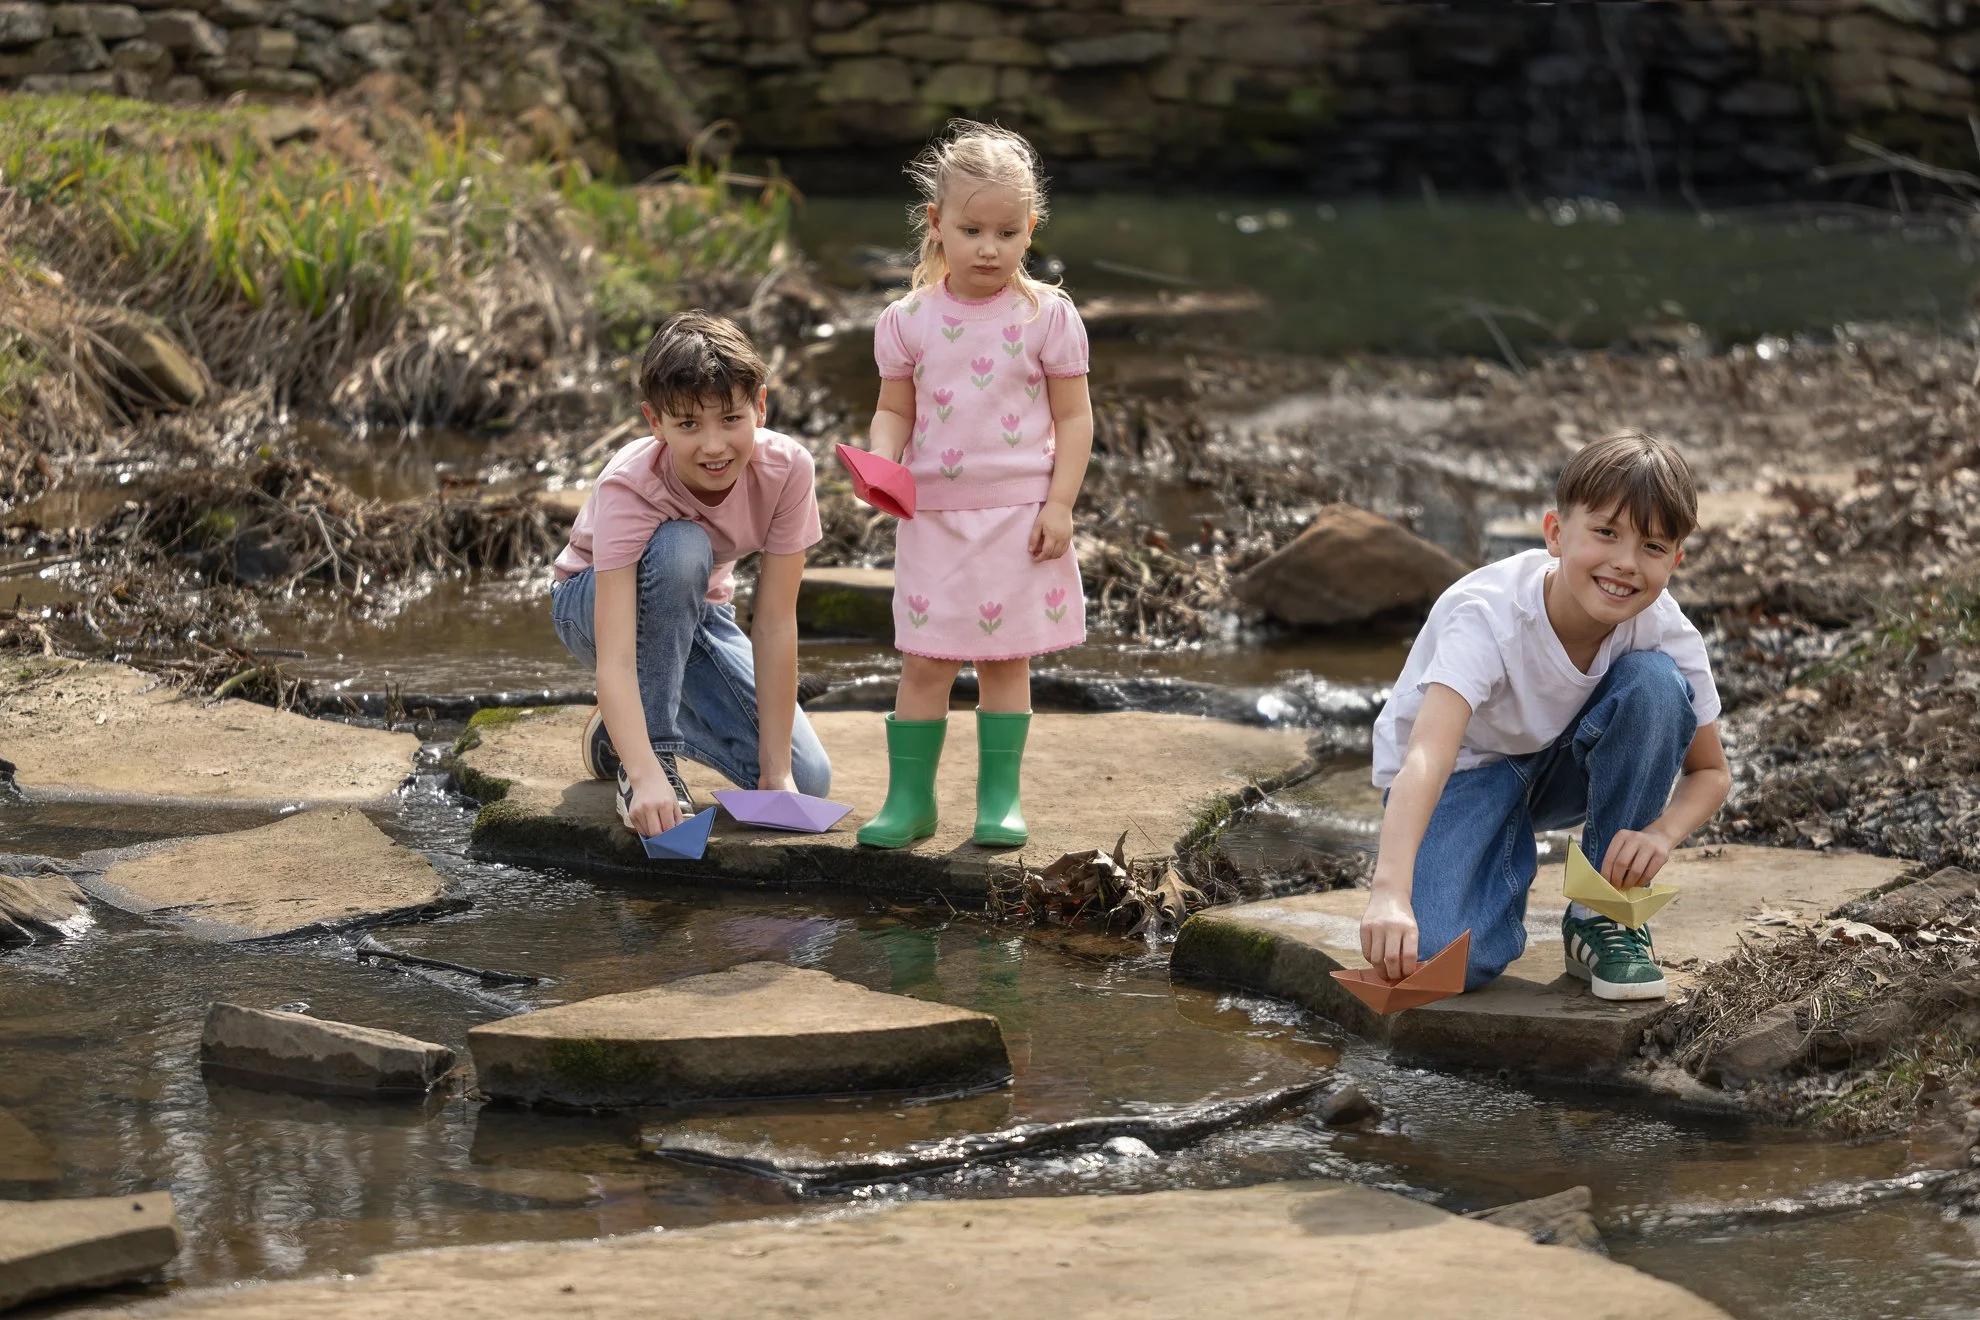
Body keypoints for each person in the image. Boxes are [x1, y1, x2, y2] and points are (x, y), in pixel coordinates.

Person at [1360, 430, 1731, 1001]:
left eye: (1652, 548)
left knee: (1656, 685)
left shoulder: (1664, 629)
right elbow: (1427, 756)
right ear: (1556, 534)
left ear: (1675, 561)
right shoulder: (1487, 615)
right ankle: (1492, 857)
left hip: (1560, 767)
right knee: (1444, 961)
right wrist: (1389, 891)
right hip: (1464, 775)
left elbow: (1712, 772)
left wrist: (1662, 833)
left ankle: (1601, 916)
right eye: (1605, 533)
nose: (1625, 563)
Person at [854, 120, 1094, 850]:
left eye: (1008, 232)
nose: (989, 248)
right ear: (937, 225)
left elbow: (1075, 417)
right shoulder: (907, 321)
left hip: (1017, 515)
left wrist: (1059, 504)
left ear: (1031, 229)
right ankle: (911, 803)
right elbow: (895, 409)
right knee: (925, 659)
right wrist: (882, 459)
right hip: (933, 516)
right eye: (971, 230)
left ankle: (999, 802)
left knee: (1003, 659)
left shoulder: (1046, 317)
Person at [549, 310, 830, 839]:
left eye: (730, 419)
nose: (714, 446)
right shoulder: (630, 487)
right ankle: (649, 757)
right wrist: (646, 773)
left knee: (809, 781)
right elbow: (616, 655)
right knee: (682, 544)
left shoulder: (789, 469)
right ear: (655, 423)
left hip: (699, 613)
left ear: (760, 406)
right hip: (590, 607)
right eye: (687, 425)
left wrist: (777, 775)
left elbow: (773, 623)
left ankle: (614, 733)